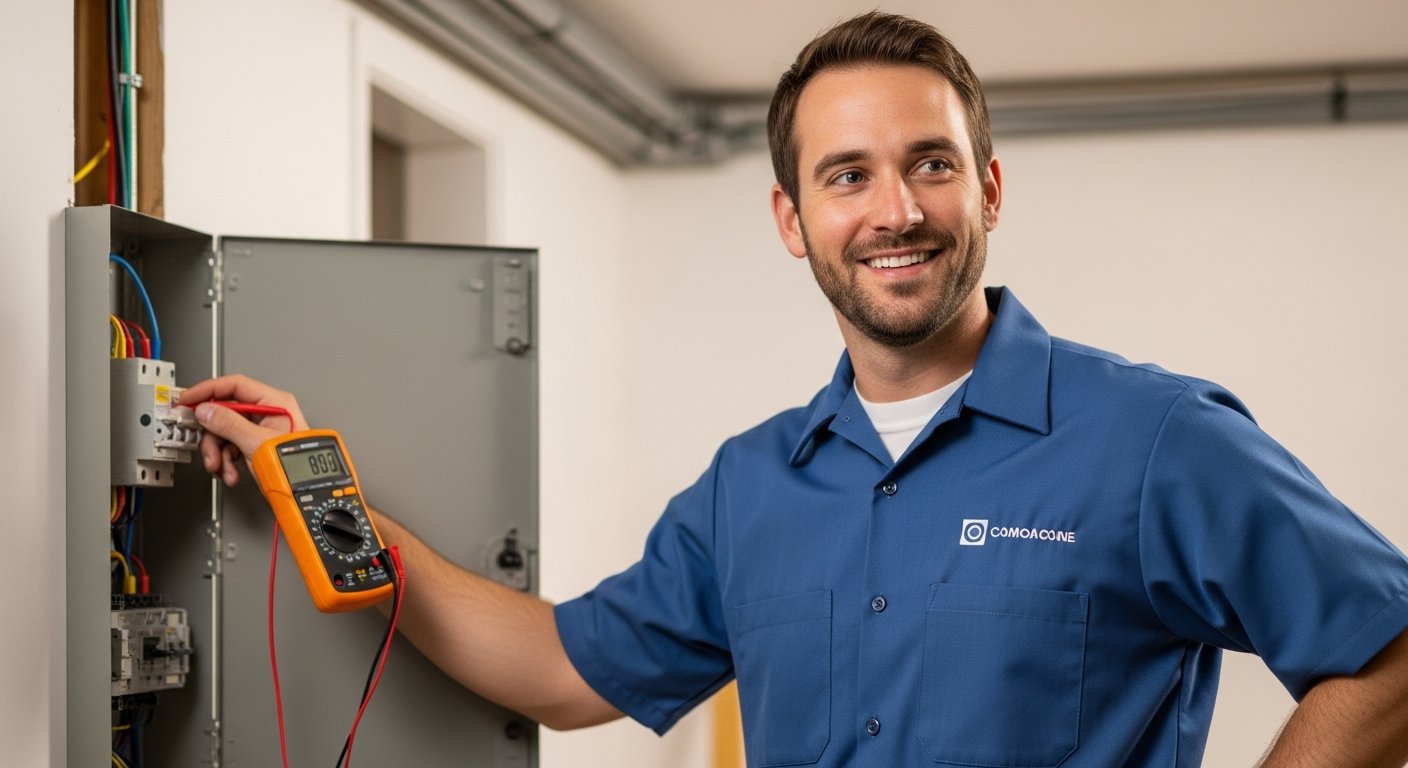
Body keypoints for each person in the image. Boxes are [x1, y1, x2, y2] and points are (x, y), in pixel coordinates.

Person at [178, 11, 1408, 767]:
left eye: (931, 165)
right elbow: (558, 669)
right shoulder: (752, 486)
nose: (895, 211)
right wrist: (313, 486)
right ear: (791, 216)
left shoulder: (1153, 441)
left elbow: (1388, 650)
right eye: (847, 175)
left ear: (987, 189)